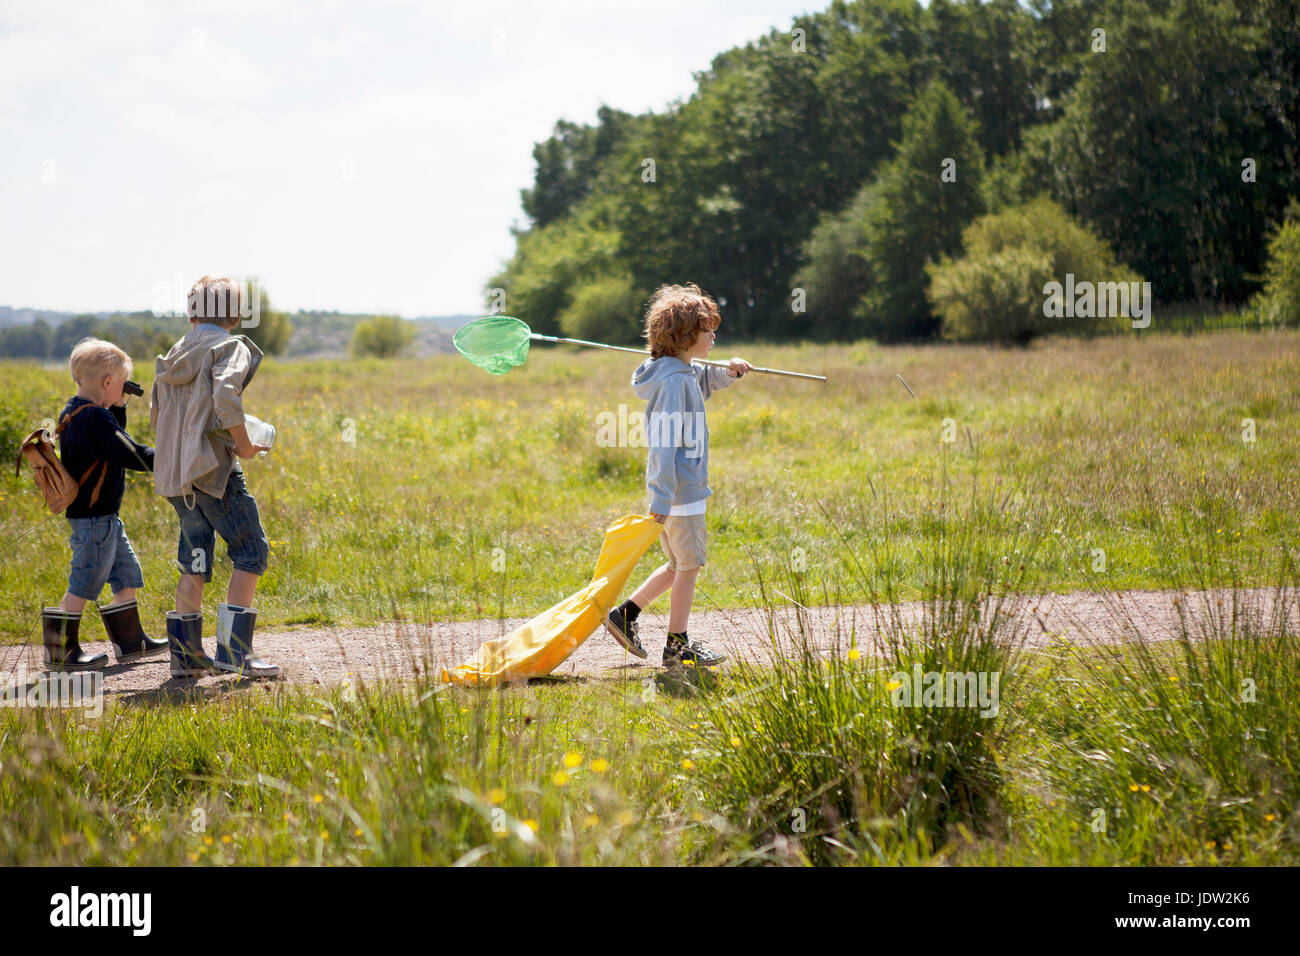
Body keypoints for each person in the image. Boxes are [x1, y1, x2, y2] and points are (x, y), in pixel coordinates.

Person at [603, 283, 752, 667]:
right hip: (681, 494)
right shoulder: (672, 380)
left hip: (679, 494)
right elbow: (663, 446)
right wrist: (662, 499)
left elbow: (702, 382)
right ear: (686, 336)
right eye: (707, 330)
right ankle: (677, 644)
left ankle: (626, 614)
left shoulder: (681, 370)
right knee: (690, 565)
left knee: (677, 565)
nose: (713, 336)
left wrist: (730, 372)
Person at [150, 274, 277, 679]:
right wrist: (242, 444)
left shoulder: (174, 352)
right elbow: (225, 395)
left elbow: (156, 415)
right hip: (213, 473)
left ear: (191, 313)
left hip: (176, 477)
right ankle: (234, 651)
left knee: (195, 560)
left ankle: (186, 656)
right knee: (250, 551)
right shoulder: (230, 346)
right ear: (235, 314)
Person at [42, 338, 167, 671]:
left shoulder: (75, 410)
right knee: (84, 581)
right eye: (122, 384)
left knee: (126, 574)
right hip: (95, 518)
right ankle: (61, 652)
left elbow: (114, 440)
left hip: (102, 517)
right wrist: (170, 458)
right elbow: (127, 452)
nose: (124, 390)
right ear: (109, 382)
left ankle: (131, 641)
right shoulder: (97, 419)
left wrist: (119, 405)